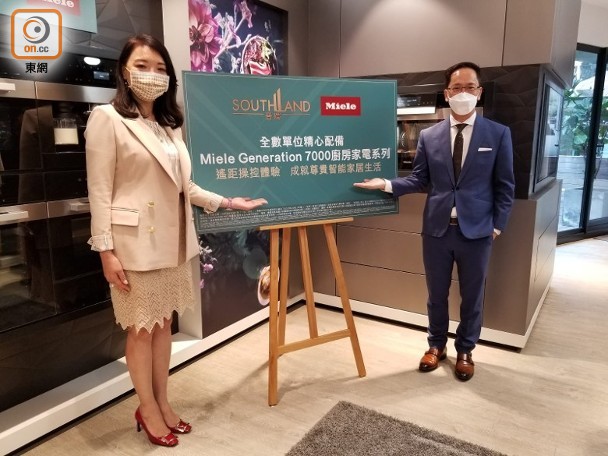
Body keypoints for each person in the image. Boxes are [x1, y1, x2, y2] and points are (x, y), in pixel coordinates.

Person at [85, 34, 267, 447]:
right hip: (134, 246)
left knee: (163, 324)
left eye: (160, 68)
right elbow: (99, 192)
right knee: (141, 329)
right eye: (142, 66)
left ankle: (163, 402)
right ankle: (147, 408)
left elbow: (186, 186)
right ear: (124, 72)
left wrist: (228, 202)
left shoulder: (170, 125)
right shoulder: (107, 119)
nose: (152, 75)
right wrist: (106, 251)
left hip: (174, 243)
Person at [354, 61, 514, 381]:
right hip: (437, 231)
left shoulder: (498, 134)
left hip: (477, 232)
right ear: (447, 93)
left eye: (470, 87)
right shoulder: (430, 135)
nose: (463, 93)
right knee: (436, 294)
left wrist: (497, 226)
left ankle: (465, 350)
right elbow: (419, 179)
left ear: (479, 92)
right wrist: (386, 184)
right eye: (457, 87)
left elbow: (505, 186)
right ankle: (436, 345)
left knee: (472, 296)